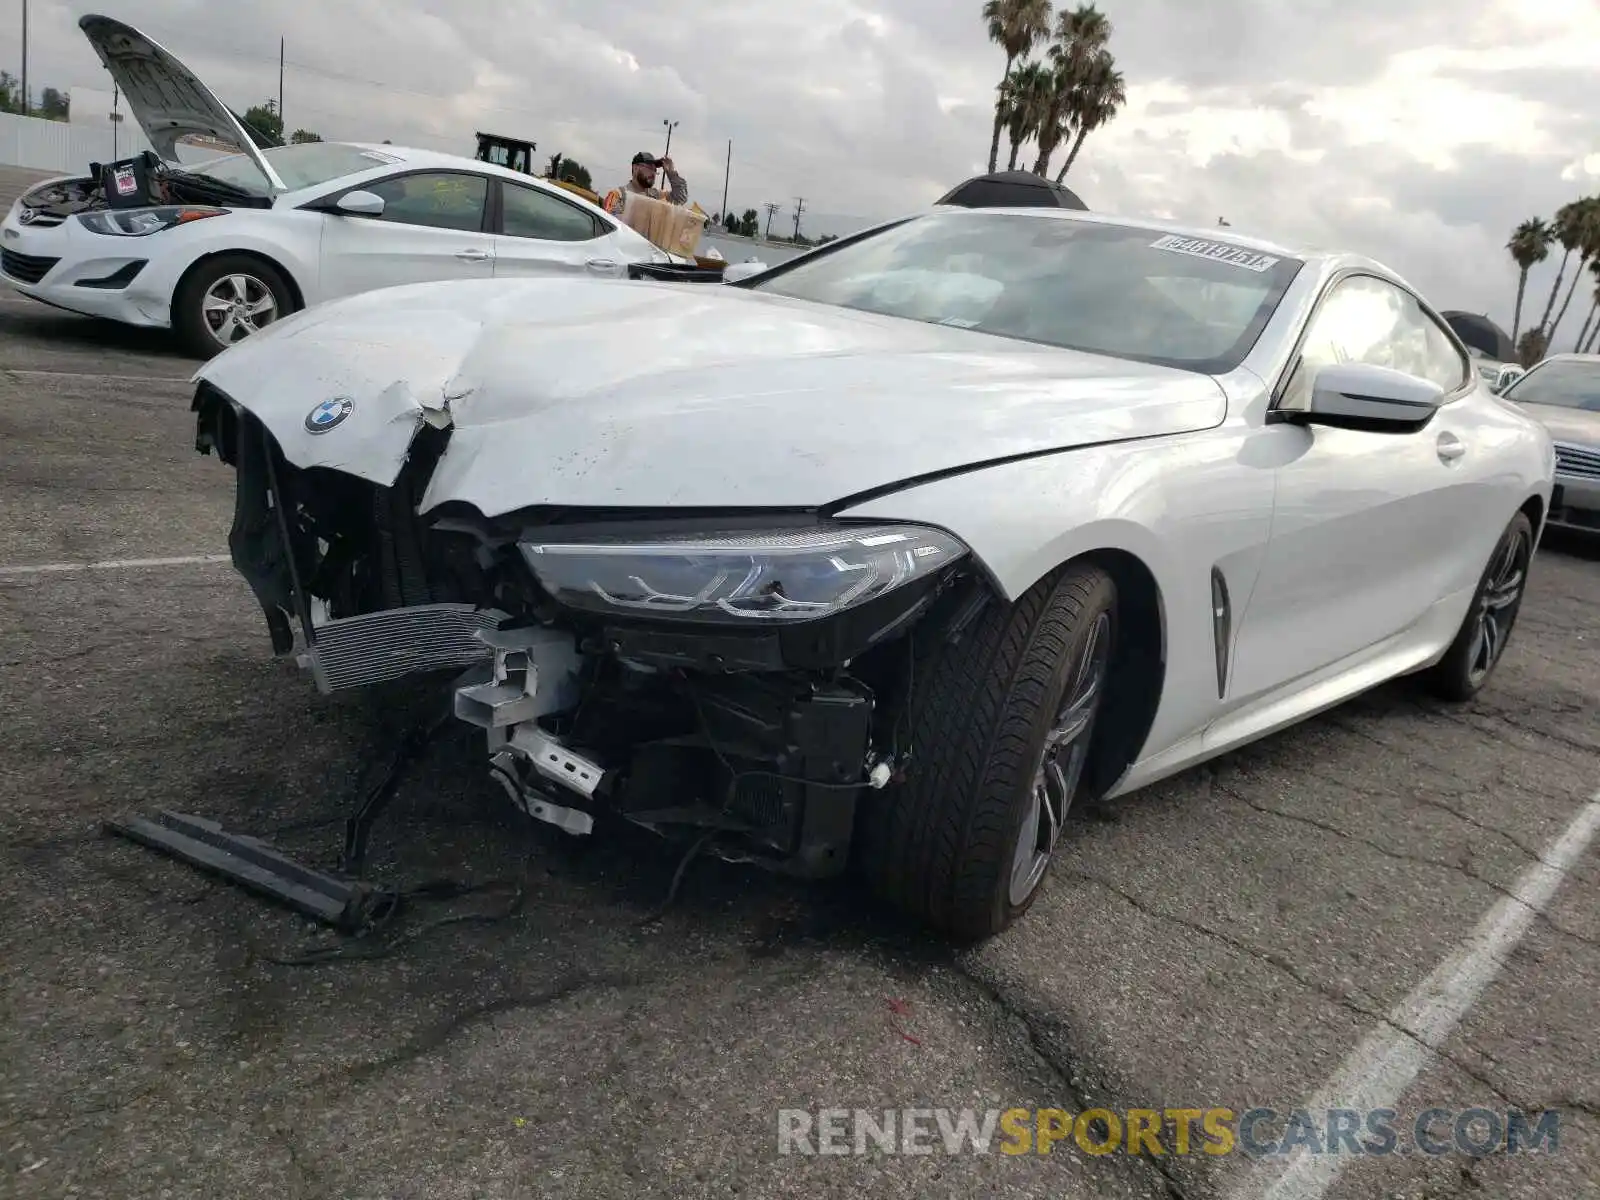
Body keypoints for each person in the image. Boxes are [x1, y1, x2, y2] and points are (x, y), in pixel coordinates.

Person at [621, 151, 688, 205]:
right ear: (635, 168)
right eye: (649, 168)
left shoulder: (657, 196)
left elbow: (680, 199)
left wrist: (671, 173)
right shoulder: (620, 195)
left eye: (655, 170)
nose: (653, 173)